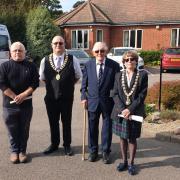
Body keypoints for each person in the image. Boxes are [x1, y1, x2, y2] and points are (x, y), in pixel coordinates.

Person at [39, 35, 82, 156]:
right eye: (56, 43)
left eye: (61, 43)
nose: (58, 45)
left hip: (67, 98)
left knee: (66, 121)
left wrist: (66, 86)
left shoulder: (73, 59)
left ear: (64, 45)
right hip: (51, 98)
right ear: (52, 45)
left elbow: (78, 76)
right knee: (53, 122)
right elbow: (43, 78)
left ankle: (67, 145)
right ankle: (54, 144)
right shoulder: (45, 60)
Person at [0, 42, 39, 163]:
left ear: (24, 52)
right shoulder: (4, 66)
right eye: (15, 50)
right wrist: (14, 96)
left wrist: (24, 95)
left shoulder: (31, 66)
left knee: (24, 129)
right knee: (12, 130)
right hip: (9, 106)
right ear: (11, 53)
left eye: (20, 50)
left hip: (26, 105)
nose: (17, 52)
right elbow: (1, 83)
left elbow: (35, 83)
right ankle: (14, 151)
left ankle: (22, 151)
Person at [81, 42, 120, 164]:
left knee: (107, 128)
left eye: (102, 51)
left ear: (106, 52)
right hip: (92, 101)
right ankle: (93, 151)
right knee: (92, 127)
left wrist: (115, 99)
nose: (99, 53)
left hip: (108, 102)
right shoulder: (88, 65)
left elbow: (116, 85)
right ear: (93, 53)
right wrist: (83, 97)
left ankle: (105, 151)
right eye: (97, 51)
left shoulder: (114, 65)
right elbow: (84, 85)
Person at [111, 50, 148, 175]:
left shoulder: (142, 75)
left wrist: (129, 109)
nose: (129, 61)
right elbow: (114, 94)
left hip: (135, 112)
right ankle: (124, 161)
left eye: (132, 59)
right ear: (123, 62)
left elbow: (142, 95)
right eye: (127, 60)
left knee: (132, 138)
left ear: (136, 61)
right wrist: (123, 109)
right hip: (120, 112)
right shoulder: (118, 75)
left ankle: (131, 163)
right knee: (122, 138)